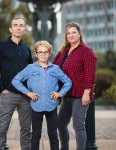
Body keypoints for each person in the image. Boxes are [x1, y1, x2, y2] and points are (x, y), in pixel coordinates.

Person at [12, 40, 72, 150]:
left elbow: (68, 82)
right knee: (36, 135)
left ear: (49, 53)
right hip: (36, 106)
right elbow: (16, 80)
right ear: (36, 54)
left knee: (53, 135)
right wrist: (28, 92)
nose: (43, 54)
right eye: (40, 52)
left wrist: (60, 93)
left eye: (45, 52)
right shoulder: (30, 68)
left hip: (51, 106)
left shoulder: (55, 68)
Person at [53, 22, 97, 150]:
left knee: (78, 126)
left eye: (74, 32)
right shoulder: (63, 52)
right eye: (68, 33)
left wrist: (86, 92)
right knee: (60, 124)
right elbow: (54, 68)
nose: (71, 35)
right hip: (66, 94)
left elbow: (90, 73)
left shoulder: (86, 51)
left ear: (79, 34)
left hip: (80, 94)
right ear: (66, 36)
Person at [0, 17, 33, 150]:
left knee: (26, 129)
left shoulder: (27, 48)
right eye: (15, 25)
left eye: (21, 25)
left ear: (24, 29)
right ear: (11, 29)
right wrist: (2, 88)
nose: (18, 27)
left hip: (25, 95)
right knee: (2, 128)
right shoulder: (1, 46)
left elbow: (31, 71)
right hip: (8, 94)